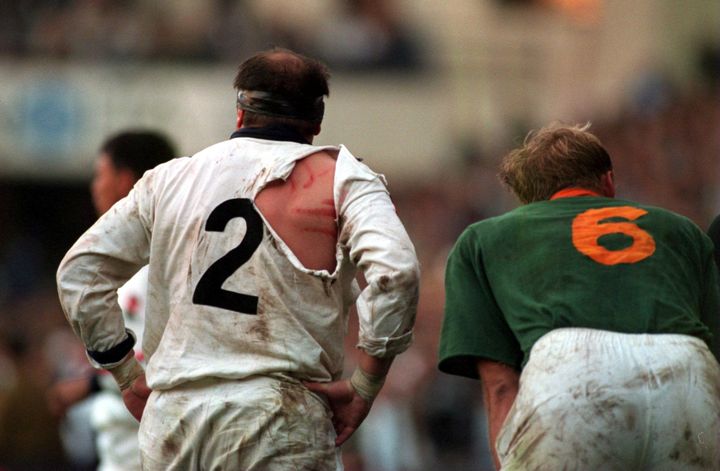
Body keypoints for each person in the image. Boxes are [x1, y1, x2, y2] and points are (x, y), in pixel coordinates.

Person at [56, 47, 419, 470]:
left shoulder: (169, 179)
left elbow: (79, 274)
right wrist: (366, 384)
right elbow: (397, 272)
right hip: (278, 415)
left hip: (174, 419)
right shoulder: (343, 177)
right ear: (316, 123)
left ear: (240, 115)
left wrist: (124, 373)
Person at [438, 123, 720, 470]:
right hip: (687, 371)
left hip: (572, 371)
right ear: (609, 181)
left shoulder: (483, 239)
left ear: (529, 201)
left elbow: (500, 387)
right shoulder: (684, 230)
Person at [48, 130, 177, 471]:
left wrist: (88, 385)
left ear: (123, 181)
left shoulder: (154, 264)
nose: (94, 186)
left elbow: (151, 363)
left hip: (143, 444)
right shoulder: (142, 256)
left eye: (99, 173)